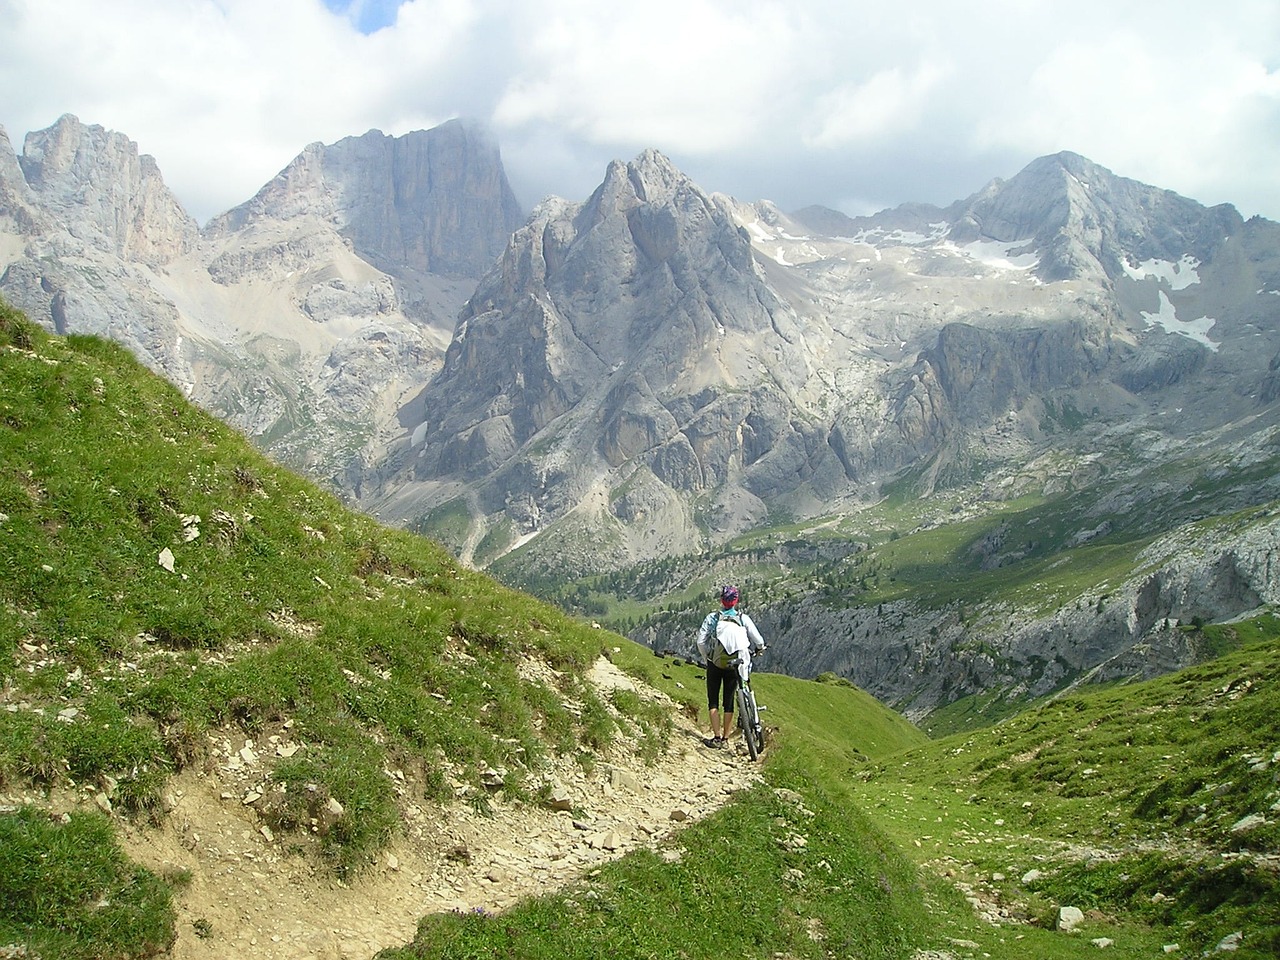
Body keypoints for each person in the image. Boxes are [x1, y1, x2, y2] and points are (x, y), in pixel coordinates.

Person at [695, 584, 766, 748]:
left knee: (713, 701)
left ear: (721, 600)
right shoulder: (743, 618)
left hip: (715, 663)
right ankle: (726, 739)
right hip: (734, 665)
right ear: (736, 600)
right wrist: (760, 649)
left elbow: (700, 641)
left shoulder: (712, 618)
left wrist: (708, 657)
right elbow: (759, 641)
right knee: (729, 701)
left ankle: (717, 737)